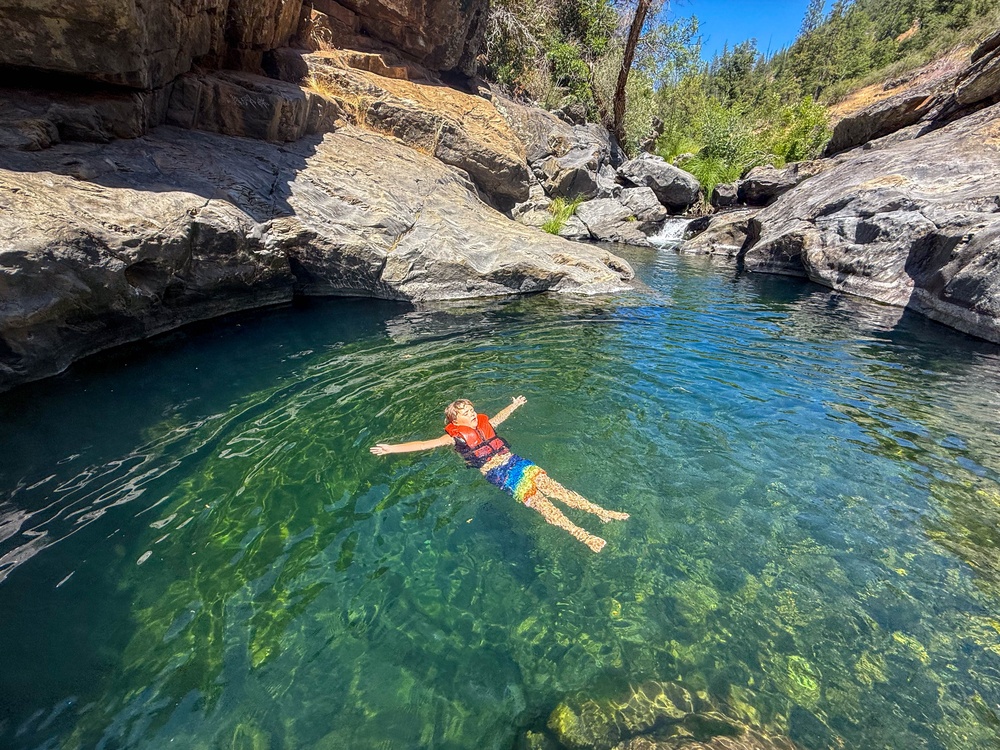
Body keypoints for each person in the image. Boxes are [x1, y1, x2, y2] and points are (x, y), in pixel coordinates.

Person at [370, 396, 629, 553]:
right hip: (496, 472)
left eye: (472, 410)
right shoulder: (454, 437)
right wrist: (392, 448)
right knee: (540, 502)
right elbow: (424, 444)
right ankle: (582, 535)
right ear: (455, 420)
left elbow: (499, 417)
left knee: (554, 487)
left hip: (513, 460)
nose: (472, 414)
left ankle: (601, 512)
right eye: (466, 413)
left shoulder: (483, 423)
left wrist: (513, 404)